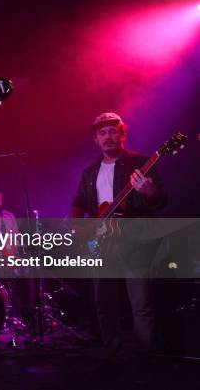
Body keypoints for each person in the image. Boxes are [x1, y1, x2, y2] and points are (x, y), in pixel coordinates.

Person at [70, 112, 166, 359]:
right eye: (102, 133)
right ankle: (113, 350)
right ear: (96, 139)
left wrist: (149, 190)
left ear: (123, 134)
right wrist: (77, 225)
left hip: (133, 241)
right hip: (101, 242)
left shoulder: (141, 163)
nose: (108, 137)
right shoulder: (90, 172)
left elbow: (161, 200)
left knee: (140, 302)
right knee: (104, 302)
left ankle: (147, 353)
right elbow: (79, 201)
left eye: (113, 131)